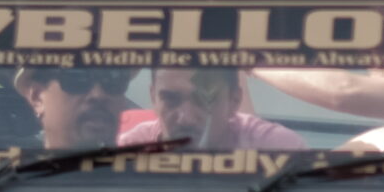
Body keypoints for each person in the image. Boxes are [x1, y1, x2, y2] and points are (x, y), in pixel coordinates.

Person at [121, 66, 305, 151]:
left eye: (203, 101)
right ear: (153, 97)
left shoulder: (276, 150)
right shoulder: (128, 153)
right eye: (171, 100)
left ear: (234, 101)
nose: (186, 118)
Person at [11, 64, 141, 149]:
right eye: (77, 78)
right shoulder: (12, 185)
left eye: (114, 79)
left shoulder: (151, 184)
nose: (98, 95)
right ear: (37, 97)